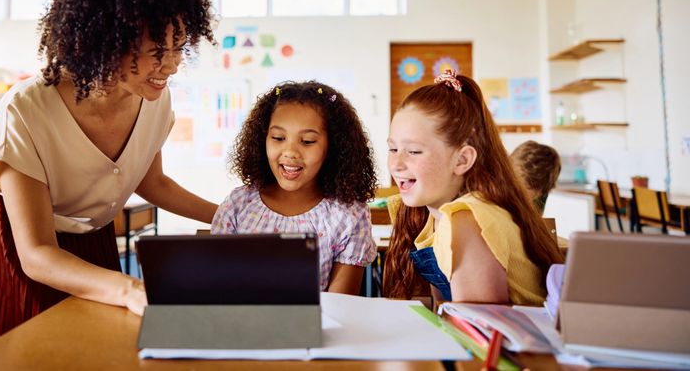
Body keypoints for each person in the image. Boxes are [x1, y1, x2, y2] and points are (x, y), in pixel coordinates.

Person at [0, 0, 218, 368]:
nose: (171, 65)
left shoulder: (154, 98)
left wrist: (230, 214)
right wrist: (128, 288)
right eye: (157, 50)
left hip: (86, 234)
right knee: (18, 352)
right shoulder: (27, 108)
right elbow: (37, 254)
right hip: (10, 237)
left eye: (179, 47)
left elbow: (152, 183)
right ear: (106, 44)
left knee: (93, 349)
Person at [382, 71, 562, 306]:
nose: (396, 164)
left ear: (462, 160)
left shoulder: (468, 220)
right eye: (393, 149)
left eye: (414, 151)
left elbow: (480, 332)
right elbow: (445, 311)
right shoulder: (430, 216)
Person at [212, 81, 378, 295]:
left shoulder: (348, 216)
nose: (290, 152)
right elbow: (217, 289)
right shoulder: (238, 206)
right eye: (278, 138)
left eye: (308, 141)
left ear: (333, 146)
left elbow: (340, 307)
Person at [510, 140, 561, 213]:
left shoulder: (541, 196)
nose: (516, 191)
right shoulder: (499, 180)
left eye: (524, 189)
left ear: (540, 191)